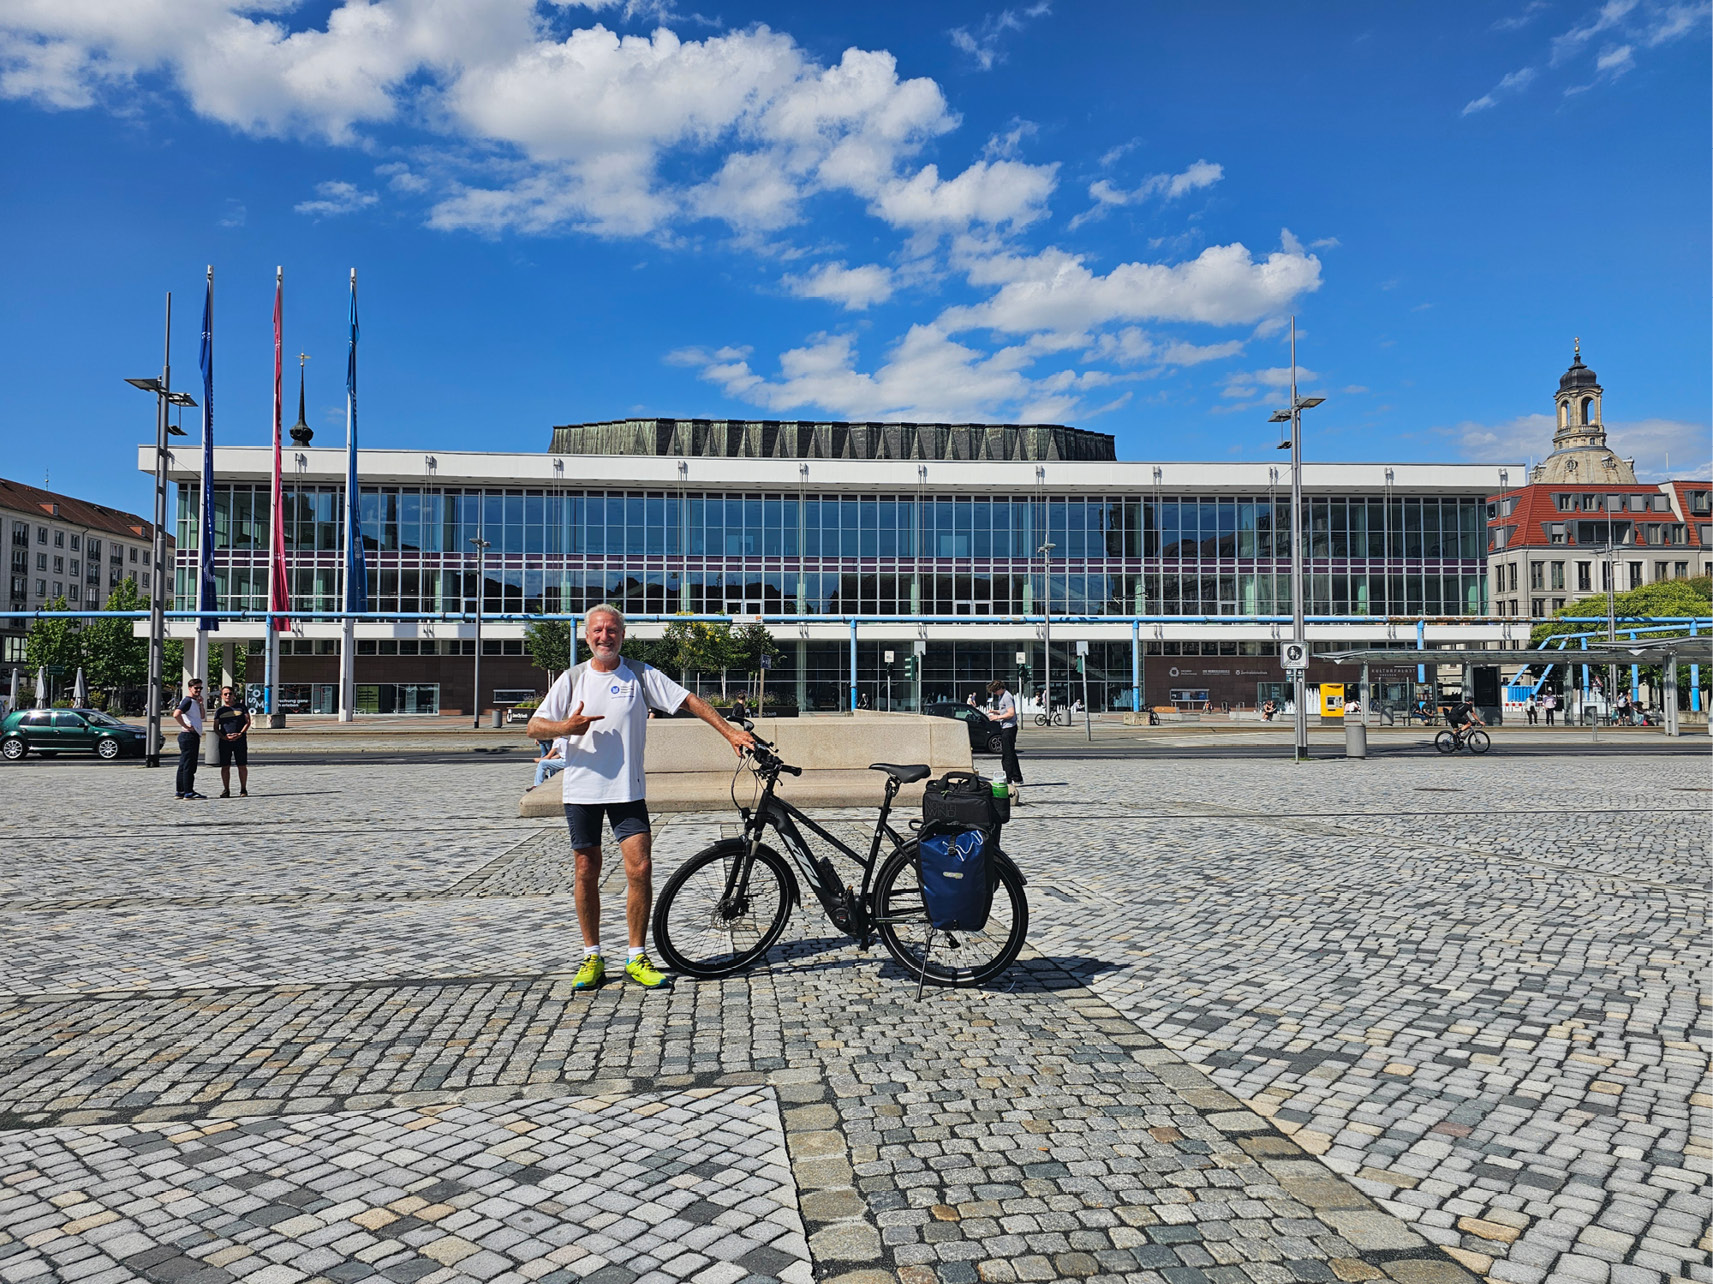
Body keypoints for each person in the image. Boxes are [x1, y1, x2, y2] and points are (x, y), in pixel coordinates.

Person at [527, 605, 754, 992]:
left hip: (626, 792)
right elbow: (534, 726)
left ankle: (636, 956)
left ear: (623, 634)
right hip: (582, 791)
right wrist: (566, 727)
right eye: (598, 630)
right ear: (587, 636)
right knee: (586, 870)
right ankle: (592, 956)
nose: (605, 636)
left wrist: (730, 732)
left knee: (641, 869)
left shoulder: (640, 674)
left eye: (612, 630)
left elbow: (690, 701)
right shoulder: (572, 678)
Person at [982, 678, 1023, 805]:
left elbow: (1011, 713)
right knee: (1010, 753)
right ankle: (1017, 778)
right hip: (1007, 727)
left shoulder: (1007, 697)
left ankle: (1009, 779)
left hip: (1009, 728)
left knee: (1007, 755)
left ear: (999, 688)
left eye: (994, 691)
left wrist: (997, 717)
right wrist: (996, 711)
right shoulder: (1003, 696)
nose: (994, 694)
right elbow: (1006, 711)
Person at [213, 684, 252, 797]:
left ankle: (243, 789)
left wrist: (240, 734)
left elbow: (248, 721)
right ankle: (226, 789)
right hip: (225, 741)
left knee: (242, 765)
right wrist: (223, 737)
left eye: (230, 694)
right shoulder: (220, 711)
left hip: (240, 740)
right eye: (225, 694)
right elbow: (215, 727)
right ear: (221, 696)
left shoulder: (241, 707)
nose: (228, 696)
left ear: (234, 695)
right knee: (225, 766)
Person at [173, 677, 207, 800]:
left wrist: (201, 704)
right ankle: (188, 791)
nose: (198, 690)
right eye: (196, 688)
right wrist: (186, 725)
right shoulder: (187, 700)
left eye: (200, 688)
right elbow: (176, 714)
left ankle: (180, 791)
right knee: (189, 765)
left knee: (184, 764)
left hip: (191, 735)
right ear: (190, 688)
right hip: (189, 735)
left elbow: (202, 716)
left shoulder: (194, 701)